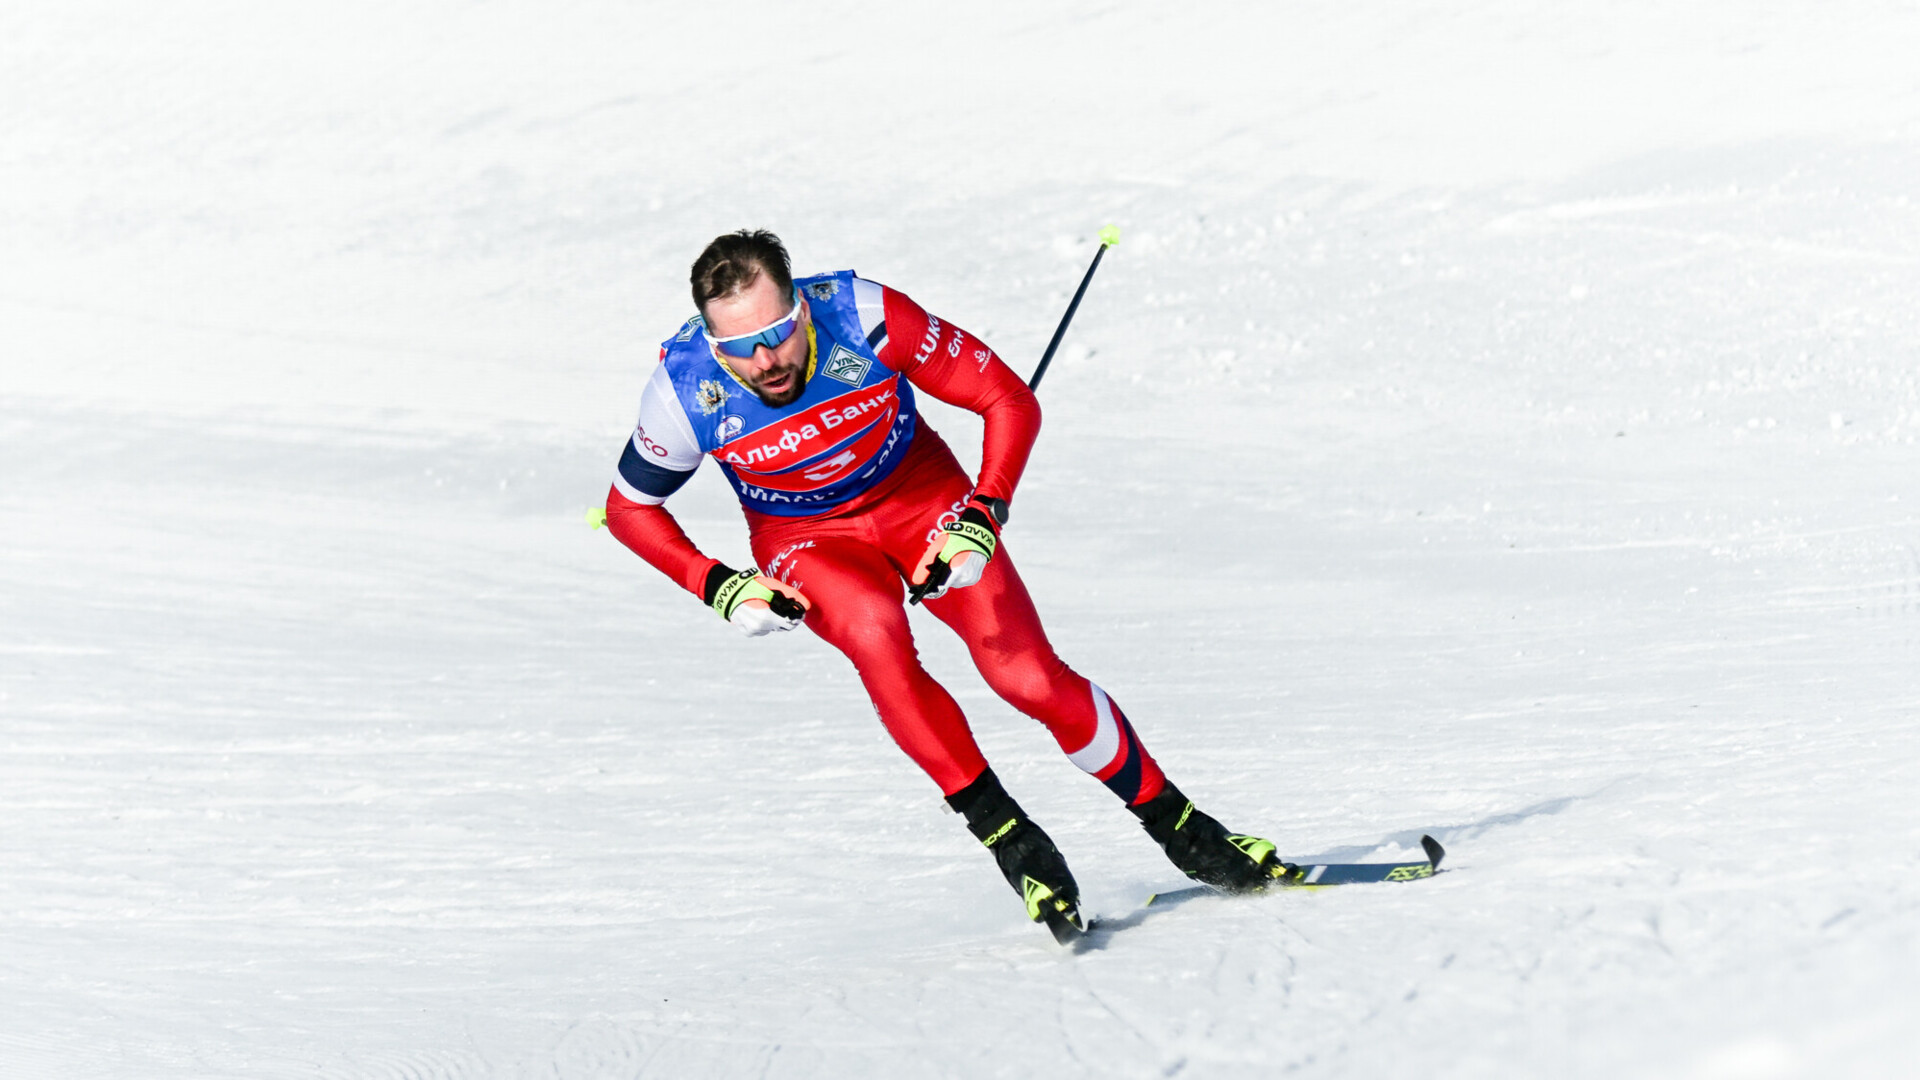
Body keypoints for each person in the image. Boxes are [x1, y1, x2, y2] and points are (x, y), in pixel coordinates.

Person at [604, 229, 1293, 938]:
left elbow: (1007, 399)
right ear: (711, 343)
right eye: (738, 347)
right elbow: (628, 508)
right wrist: (716, 584)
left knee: (1024, 676)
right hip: (805, 538)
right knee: (874, 630)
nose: (764, 360)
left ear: (802, 310)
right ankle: (1015, 844)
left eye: (777, 334)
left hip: (921, 496)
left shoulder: (865, 314)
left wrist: (982, 515)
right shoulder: (685, 389)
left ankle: (1186, 830)